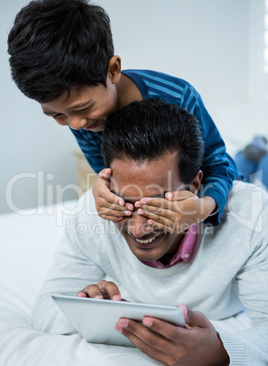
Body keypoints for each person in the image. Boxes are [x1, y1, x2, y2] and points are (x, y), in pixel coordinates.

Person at [31, 99, 268, 366]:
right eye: (125, 203)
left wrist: (218, 353)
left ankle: (254, 152)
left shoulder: (251, 213)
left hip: (243, 185)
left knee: (254, 168)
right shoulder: (94, 210)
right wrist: (95, 312)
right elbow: (44, 310)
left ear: (194, 186)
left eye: (157, 205)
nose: (138, 229)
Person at [7, 0, 238, 230]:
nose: (75, 124)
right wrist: (104, 191)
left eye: (83, 108)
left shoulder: (178, 97)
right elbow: (108, 175)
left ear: (113, 70)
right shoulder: (82, 121)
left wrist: (203, 207)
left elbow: (219, 166)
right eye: (56, 115)